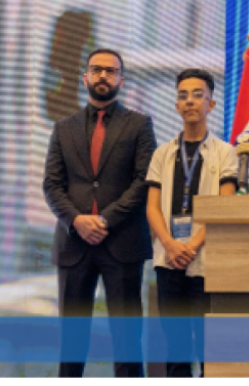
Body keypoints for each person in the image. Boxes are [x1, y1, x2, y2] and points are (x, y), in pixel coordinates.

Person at [43, 48, 156, 378]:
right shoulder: (64, 128)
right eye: (97, 70)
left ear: (121, 79)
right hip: (74, 245)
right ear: (85, 77)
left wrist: (105, 219)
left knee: (126, 340)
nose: (103, 75)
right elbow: (51, 185)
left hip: (122, 244)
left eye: (110, 71)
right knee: (72, 342)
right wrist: (77, 220)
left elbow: (144, 181)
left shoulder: (139, 125)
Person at [144, 68, 237, 378]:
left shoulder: (225, 153)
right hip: (169, 262)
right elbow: (152, 208)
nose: (190, 102)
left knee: (209, 350)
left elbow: (225, 206)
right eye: (182, 96)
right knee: (175, 349)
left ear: (211, 104)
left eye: (198, 95)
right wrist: (170, 245)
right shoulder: (162, 153)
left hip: (207, 262)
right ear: (176, 106)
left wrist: (192, 245)